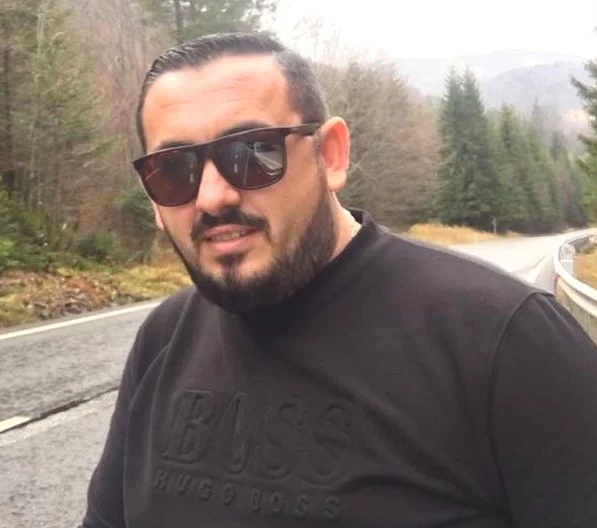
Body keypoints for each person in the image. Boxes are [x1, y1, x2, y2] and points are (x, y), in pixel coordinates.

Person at [81, 32, 597, 528]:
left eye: (254, 152)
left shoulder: (507, 342)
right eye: (173, 170)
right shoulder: (163, 339)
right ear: (152, 199)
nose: (213, 197)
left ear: (330, 155)